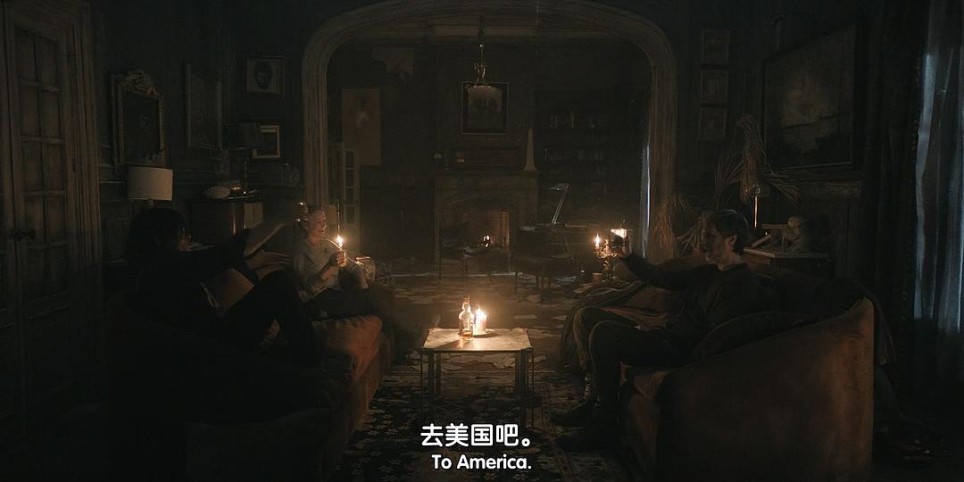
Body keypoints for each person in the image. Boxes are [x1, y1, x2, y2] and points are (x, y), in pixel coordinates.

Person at [554, 209, 768, 450]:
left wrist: (654, 333)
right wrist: (628, 256)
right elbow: (663, 278)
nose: (701, 244)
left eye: (709, 236)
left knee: (604, 333)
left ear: (732, 240)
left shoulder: (741, 287)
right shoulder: (709, 272)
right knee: (587, 316)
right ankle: (592, 400)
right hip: (667, 335)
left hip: (680, 350)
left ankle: (604, 425)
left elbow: (712, 338)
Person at [126, 207, 319, 367]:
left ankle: (302, 357)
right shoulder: (166, 267)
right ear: (159, 239)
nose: (187, 242)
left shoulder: (149, 271)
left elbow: (219, 263)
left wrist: (255, 261)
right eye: (182, 236)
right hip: (215, 348)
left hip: (212, 339)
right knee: (278, 284)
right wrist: (278, 220)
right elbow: (228, 253)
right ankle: (311, 363)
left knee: (278, 286)